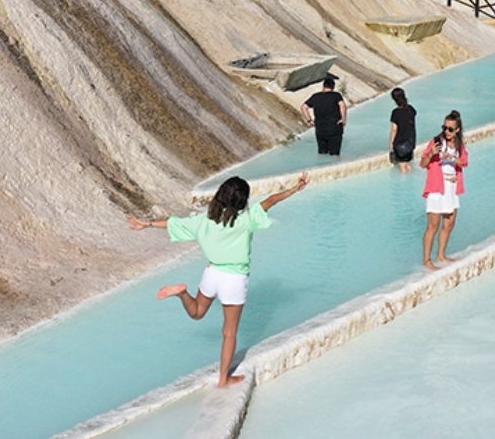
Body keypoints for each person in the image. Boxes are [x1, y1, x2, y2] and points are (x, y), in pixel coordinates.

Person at [128, 171, 309, 387]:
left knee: (197, 312)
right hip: (234, 279)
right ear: (242, 200)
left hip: (211, 274)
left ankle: (182, 293)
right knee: (229, 332)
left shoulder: (203, 221)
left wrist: (145, 224)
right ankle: (224, 379)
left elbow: (173, 222)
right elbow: (270, 201)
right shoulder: (246, 219)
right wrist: (295, 189)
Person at [420, 110, 468, 269]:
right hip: (436, 188)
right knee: (433, 226)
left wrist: (453, 158)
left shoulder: (460, 145)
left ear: (457, 130)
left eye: (450, 129)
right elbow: (423, 164)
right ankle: (427, 260)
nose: (446, 131)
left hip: (451, 188)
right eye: (445, 127)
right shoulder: (436, 142)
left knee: (449, 224)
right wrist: (432, 154)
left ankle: (441, 254)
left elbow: (464, 162)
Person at [301, 77, 347, 155]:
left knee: (322, 153)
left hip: (320, 129)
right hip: (334, 128)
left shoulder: (316, 96)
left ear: (323, 86)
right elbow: (342, 105)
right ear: (333, 87)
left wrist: (310, 120)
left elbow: (303, 107)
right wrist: (343, 119)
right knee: (334, 155)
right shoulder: (336, 95)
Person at [389, 87, 417, 174]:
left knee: (402, 167)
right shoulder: (411, 110)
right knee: (408, 164)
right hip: (410, 143)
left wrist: (391, 144)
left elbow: (394, 130)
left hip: (400, 144)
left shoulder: (395, 113)